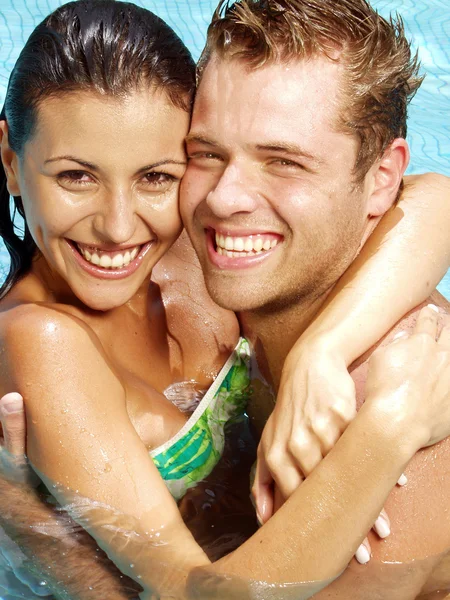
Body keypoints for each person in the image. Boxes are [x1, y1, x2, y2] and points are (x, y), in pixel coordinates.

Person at [0, 0, 449, 598]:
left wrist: (337, 364)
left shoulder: (410, 392)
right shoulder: (181, 262)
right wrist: (341, 371)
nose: (226, 199)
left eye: (283, 162)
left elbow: (434, 197)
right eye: (207, 154)